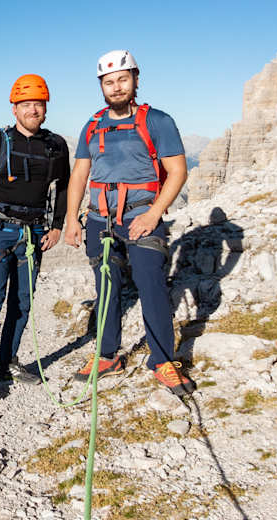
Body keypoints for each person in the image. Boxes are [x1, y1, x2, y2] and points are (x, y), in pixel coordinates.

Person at [64, 50, 196, 395]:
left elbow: (178, 171)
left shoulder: (158, 121)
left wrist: (153, 215)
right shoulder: (92, 125)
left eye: (123, 79)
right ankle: (108, 356)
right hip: (98, 218)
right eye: (109, 82)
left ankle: (164, 361)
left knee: (150, 282)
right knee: (105, 285)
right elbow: (79, 174)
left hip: (142, 213)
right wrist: (71, 219)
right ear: (101, 87)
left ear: (135, 79)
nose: (117, 87)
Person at [0, 74, 70, 400]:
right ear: (14, 109)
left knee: (22, 304)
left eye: (37, 104)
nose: (32, 110)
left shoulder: (56, 146)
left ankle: (8, 363)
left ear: (45, 108)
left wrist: (57, 225)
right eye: (26, 105)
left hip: (34, 233)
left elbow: (64, 187)